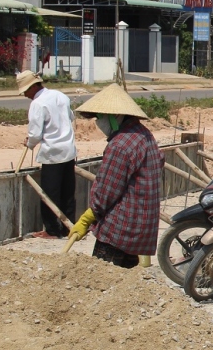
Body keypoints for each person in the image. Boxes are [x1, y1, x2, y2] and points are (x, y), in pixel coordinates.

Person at [69, 84, 165, 268]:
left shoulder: (120, 145)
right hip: (143, 225)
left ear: (116, 116)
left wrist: (89, 217)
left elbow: (106, 191)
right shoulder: (144, 134)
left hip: (122, 227)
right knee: (126, 282)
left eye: (101, 117)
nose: (99, 122)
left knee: (102, 276)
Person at [18, 70, 77, 239]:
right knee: (67, 193)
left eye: (25, 92)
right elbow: (70, 117)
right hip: (68, 150)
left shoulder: (38, 104)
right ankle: (68, 226)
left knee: (49, 194)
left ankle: (52, 230)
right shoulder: (60, 96)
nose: (25, 96)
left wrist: (29, 143)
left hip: (52, 153)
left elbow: (35, 134)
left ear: (32, 87)